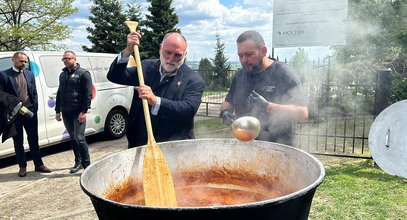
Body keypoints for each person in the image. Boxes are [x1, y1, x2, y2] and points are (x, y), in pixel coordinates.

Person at [107, 31, 205, 148]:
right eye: (167, 52)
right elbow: (115, 76)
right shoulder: (145, 67)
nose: (171, 59)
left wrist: (155, 101)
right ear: (160, 49)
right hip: (138, 143)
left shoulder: (193, 80)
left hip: (173, 147)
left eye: (177, 55)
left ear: (185, 55)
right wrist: (128, 51)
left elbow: (188, 109)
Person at [220, 30, 308, 146]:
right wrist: (225, 112)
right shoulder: (240, 75)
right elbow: (229, 101)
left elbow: (302, 113)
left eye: (249, 54)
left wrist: (268, 106)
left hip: (278, 146)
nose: (244, 60)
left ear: (263, 51)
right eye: (240, 56)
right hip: (245, 144)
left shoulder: (284, 73)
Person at [0, 52, 51, 177]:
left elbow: (33, 92)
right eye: (21, 61)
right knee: (18, 141)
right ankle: (22, 166)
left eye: (25, 61)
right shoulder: (4, 75)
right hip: (15, 114)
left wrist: (35, 109)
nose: (23, 63)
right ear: (13, 60)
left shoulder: (29, 74)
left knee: (34, 139)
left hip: (30, 112)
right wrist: (13, 105)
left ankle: (38, 164)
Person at [55, 51, 92, 173]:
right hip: (66, 111)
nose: (65, 61)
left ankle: (87, 166)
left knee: (79, 137)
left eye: (68, 58)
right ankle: (78, 162)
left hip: (78, 112)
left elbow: (88, 94)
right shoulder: (62, 74)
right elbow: (60, 93)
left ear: (74, 59)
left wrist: (84, 111)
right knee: (72, 138)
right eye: (64, 59)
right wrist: (57, 110)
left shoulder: (83, 74)